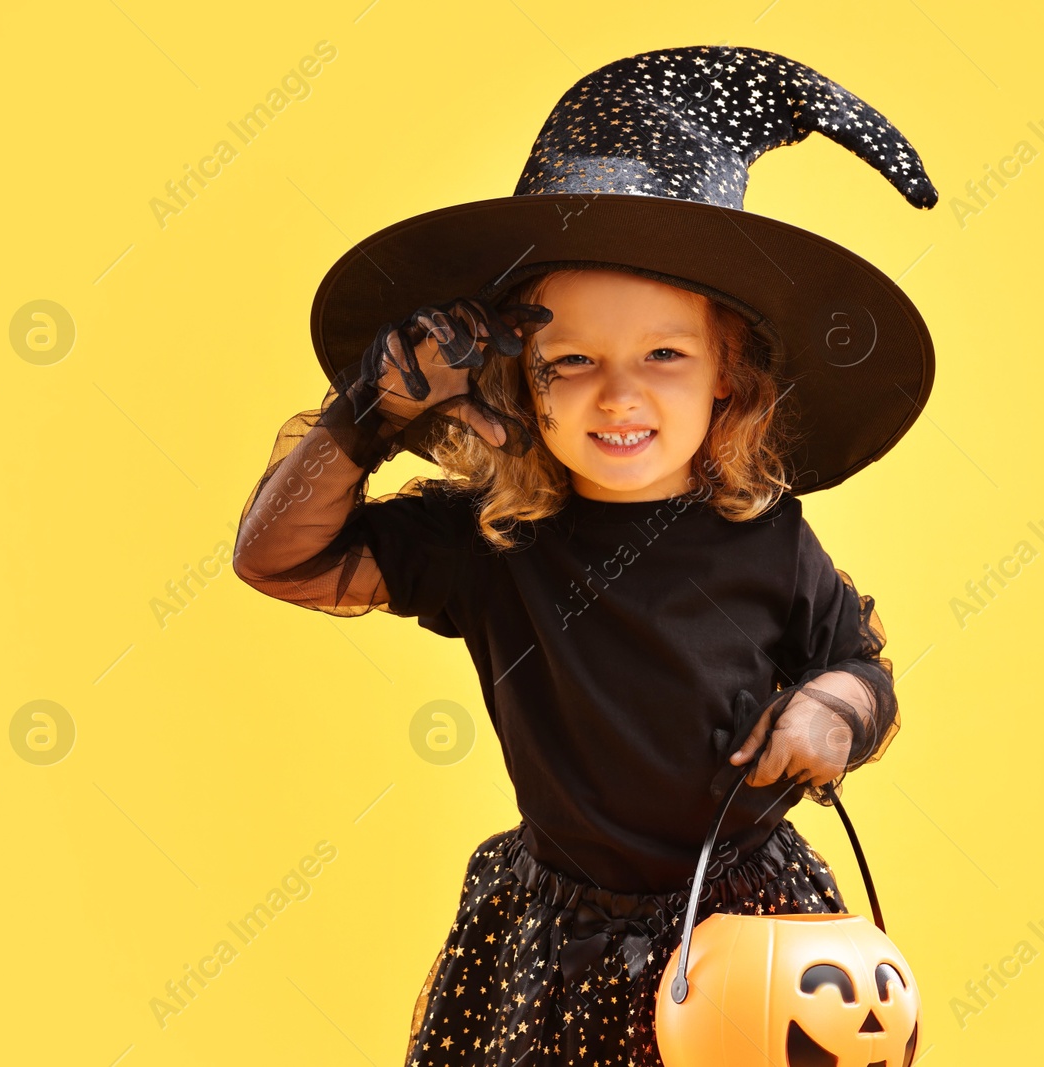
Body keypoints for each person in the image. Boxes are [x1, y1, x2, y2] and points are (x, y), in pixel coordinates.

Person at [234, 42, 937, 1067]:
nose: (619, 394)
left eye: (663, 354)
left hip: (746, 921)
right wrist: (369, 411)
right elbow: (283, 560)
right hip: (556, 940)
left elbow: (859, 663)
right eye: (571, 361)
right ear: (518, 384)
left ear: (725, 383)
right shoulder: (489, 539)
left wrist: (830, 708)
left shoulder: (766, 533)